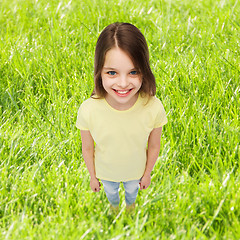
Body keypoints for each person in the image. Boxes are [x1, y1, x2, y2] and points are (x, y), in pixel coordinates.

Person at [76, 22, 168, 210]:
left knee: (131, 194)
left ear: (144, 70)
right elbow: (87, 148)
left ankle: (130, 208)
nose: (123, 83)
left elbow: (154, 145)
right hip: (106, 174)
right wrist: (93, 177)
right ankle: (114, 208)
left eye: (133, 72)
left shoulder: (153, 107)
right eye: (112, 73)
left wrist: (147, 173)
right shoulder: (88, 110)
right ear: (99, 72)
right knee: (111, 194)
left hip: (136, 173)